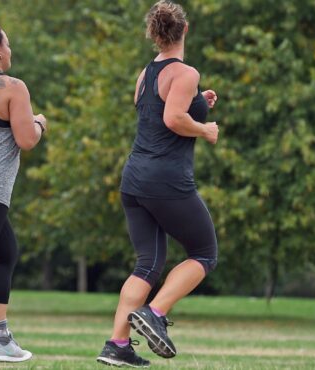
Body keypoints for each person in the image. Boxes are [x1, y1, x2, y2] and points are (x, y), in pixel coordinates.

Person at [97, 1, 219, 367]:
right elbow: (172, 118)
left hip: (134, 179)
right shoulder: (185, 72)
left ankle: (117, 344)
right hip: (165, 179)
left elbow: (158, 108)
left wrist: (201, 100)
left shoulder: (146, 73)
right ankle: (156, 313)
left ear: (154, 34)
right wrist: (205, 128)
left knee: (148, 263)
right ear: (185, 29)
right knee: (204, 252)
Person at [0, 23, 47, 362]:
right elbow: (27, 140)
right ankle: (1, 342)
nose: (12, 49)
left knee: (6, 253)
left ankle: (1, 341)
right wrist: (40, 122)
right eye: (9, 42)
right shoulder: (12, 87)